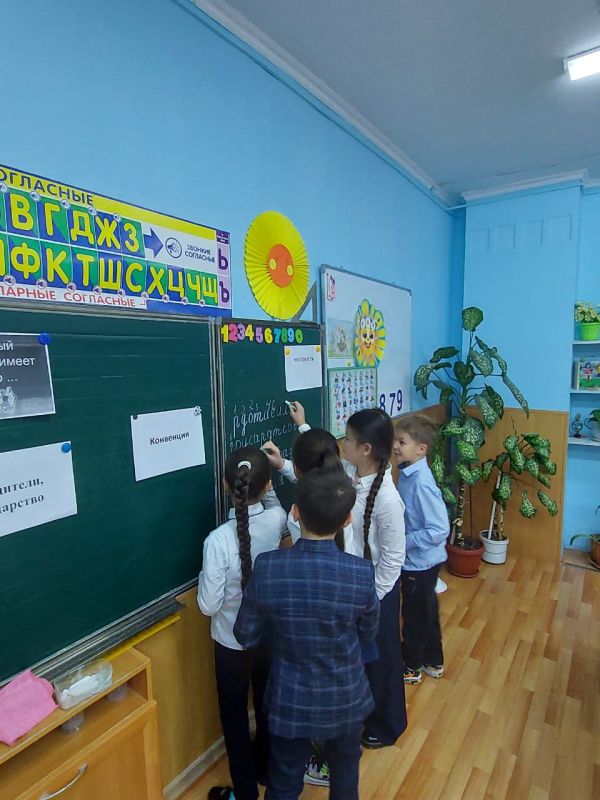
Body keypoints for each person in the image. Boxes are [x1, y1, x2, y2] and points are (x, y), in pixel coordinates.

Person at [234, 468, 379, 800]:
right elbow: (368, 631)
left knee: (284, 781)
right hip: (345, 697)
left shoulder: (269, 567)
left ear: (295, 512)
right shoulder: (360, 574)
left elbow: (245, 634)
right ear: (347, 520)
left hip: (290, 698)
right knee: (345, 778)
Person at [287, 403, 407, 749]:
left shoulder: (386, 498)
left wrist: (373, 599)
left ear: (365, 449)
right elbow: (321, 478)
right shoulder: (353, 474)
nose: (343, 444)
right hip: (357, 587)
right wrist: (302, 429)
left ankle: (388, 725)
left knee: (382, 659)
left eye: (349, 440)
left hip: (377, 591)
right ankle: (368, 715)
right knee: (364, 658)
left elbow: (393, 559)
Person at [198, 447, 287, 800]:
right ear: (266, 486)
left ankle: (246, 793)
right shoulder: (278, 519)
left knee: (234, 717)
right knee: (265, 703)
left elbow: (208, 606)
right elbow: (274, 505)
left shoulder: (217, 540)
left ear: (225, 484)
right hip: (267, 635)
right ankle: (265, 767)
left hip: (230, 643)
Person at [394, 413, 449, 685]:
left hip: (420, 563)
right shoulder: (407, 472)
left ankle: (412, 666)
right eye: (396, 441)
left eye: (402, 442)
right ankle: (433, 660)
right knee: (427, 611)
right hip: (420, 560)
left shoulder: (420, 482)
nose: (395, 446)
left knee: (415, 616)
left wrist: (404, 541)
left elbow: (439, 528)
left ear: (421, 449)